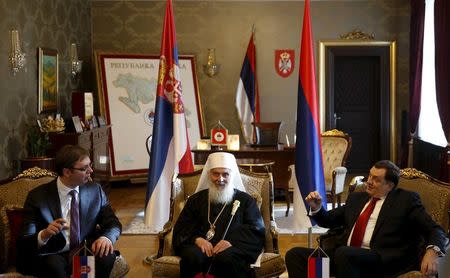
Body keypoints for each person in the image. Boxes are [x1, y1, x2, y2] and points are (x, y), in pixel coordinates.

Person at [285, 160, 448, 278]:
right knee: (295, 255)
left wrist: (432, 251)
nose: (369, 182)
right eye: (370, 176)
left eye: (376, 179)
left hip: (379, 262)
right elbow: (328, 220)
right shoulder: (357, 198)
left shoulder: (405, 201)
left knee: (344, 253)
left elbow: (435, 229)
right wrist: (316, 207)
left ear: (390, 185)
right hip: (343, 258)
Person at [17, 145, 122, 278]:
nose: (91, 170)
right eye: (84, 168)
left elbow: (112, 222)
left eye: (90, 165)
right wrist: (44, 234)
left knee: (105, 256)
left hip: (83, 250)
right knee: (53, 267)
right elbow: (24, 240)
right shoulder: (38, 196)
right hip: (53, 253)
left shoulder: (95, 190)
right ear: (67, 172)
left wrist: (105, 238)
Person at [172, 152, 265, 278]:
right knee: (193, 256)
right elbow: (182, 228)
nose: (220, 179)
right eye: (216, 174)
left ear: (231, 175)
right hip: (200, 248)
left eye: (225, 174)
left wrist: (231, 242)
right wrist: (197, 239)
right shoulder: (196, 200)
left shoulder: (246, 200)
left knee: (227, 258)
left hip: (232, 248)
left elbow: (256, 229)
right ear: (209, 174)